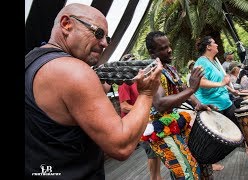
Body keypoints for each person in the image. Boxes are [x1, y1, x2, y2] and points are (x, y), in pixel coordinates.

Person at [25, 3, 163, 179]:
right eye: (98, 33)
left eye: (108, 38)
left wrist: (98, 83)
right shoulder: (73, 70)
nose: (105, 43)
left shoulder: (32, 60)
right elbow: (121, 146)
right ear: (67, 24)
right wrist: (147, 93)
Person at [141, 31, 214, 179]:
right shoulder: (150, 71)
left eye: (169, 46)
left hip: (175, 123)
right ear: (152, 52)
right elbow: (160, 104)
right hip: (159, 131)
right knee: (188, 172)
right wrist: (193, 88)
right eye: (163, 48)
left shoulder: (170, 69)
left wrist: (198, 104)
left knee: (200, 163)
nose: (169, 50)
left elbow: (183, 90)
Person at [194, 36, 245, 170]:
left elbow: (221, 82)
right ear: (208, 47)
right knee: (214, 137)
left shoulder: (215, 61)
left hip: (225, 101)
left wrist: (230, 90)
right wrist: (221, 83)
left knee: (239, 124)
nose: (217, 44)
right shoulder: (201, 62)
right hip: (211, 104)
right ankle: (210, 164)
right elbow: (200, 82)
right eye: (214, 43)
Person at [118, 54, 162, 180]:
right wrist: (144, 109)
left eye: (135, 62)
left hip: (145, 120)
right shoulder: (125, 83)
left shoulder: (139, 79)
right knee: (151, 152)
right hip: (136, 123)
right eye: (131, 63)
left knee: (154, 151)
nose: (135, 65)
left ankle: (157, 177)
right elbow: (124, 106)